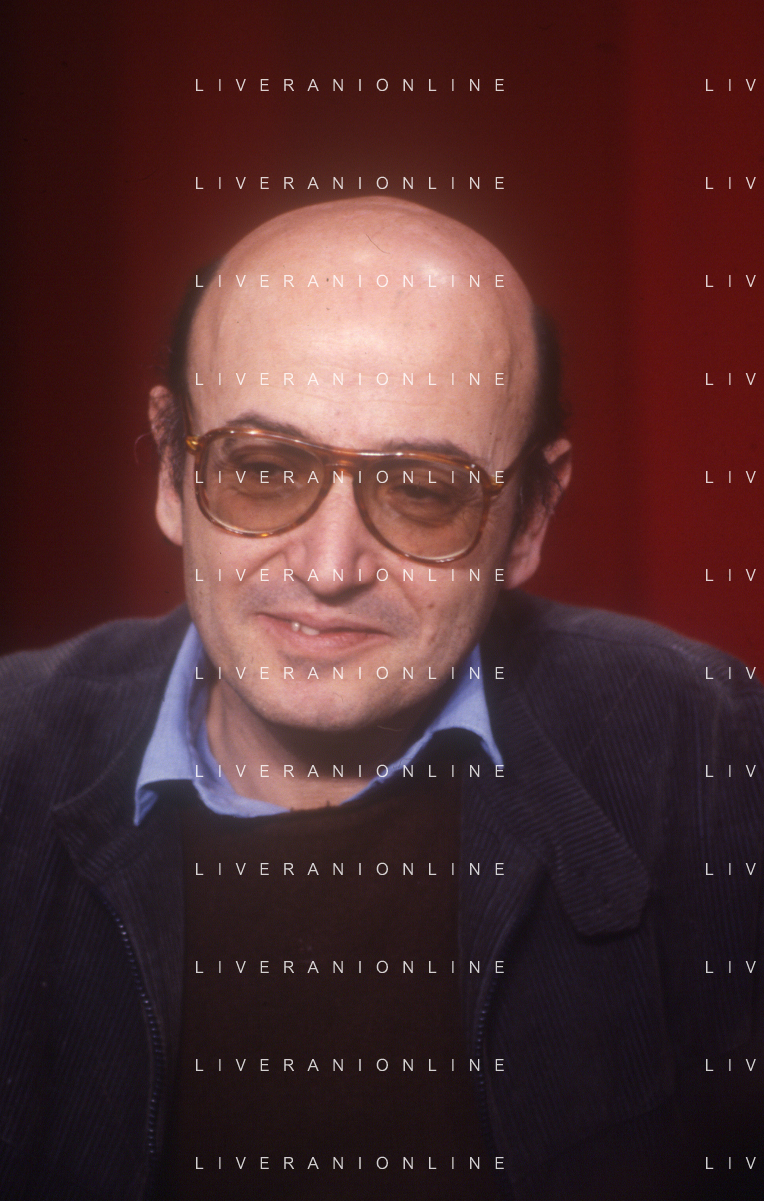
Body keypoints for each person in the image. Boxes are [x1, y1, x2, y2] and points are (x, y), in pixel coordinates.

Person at [1, 197, 762, 1201]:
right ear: (170, 473)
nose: (328, 569)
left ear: (532, 515)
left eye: (422, 488)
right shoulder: (10, 754)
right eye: (262, 469)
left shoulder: (705, 750)